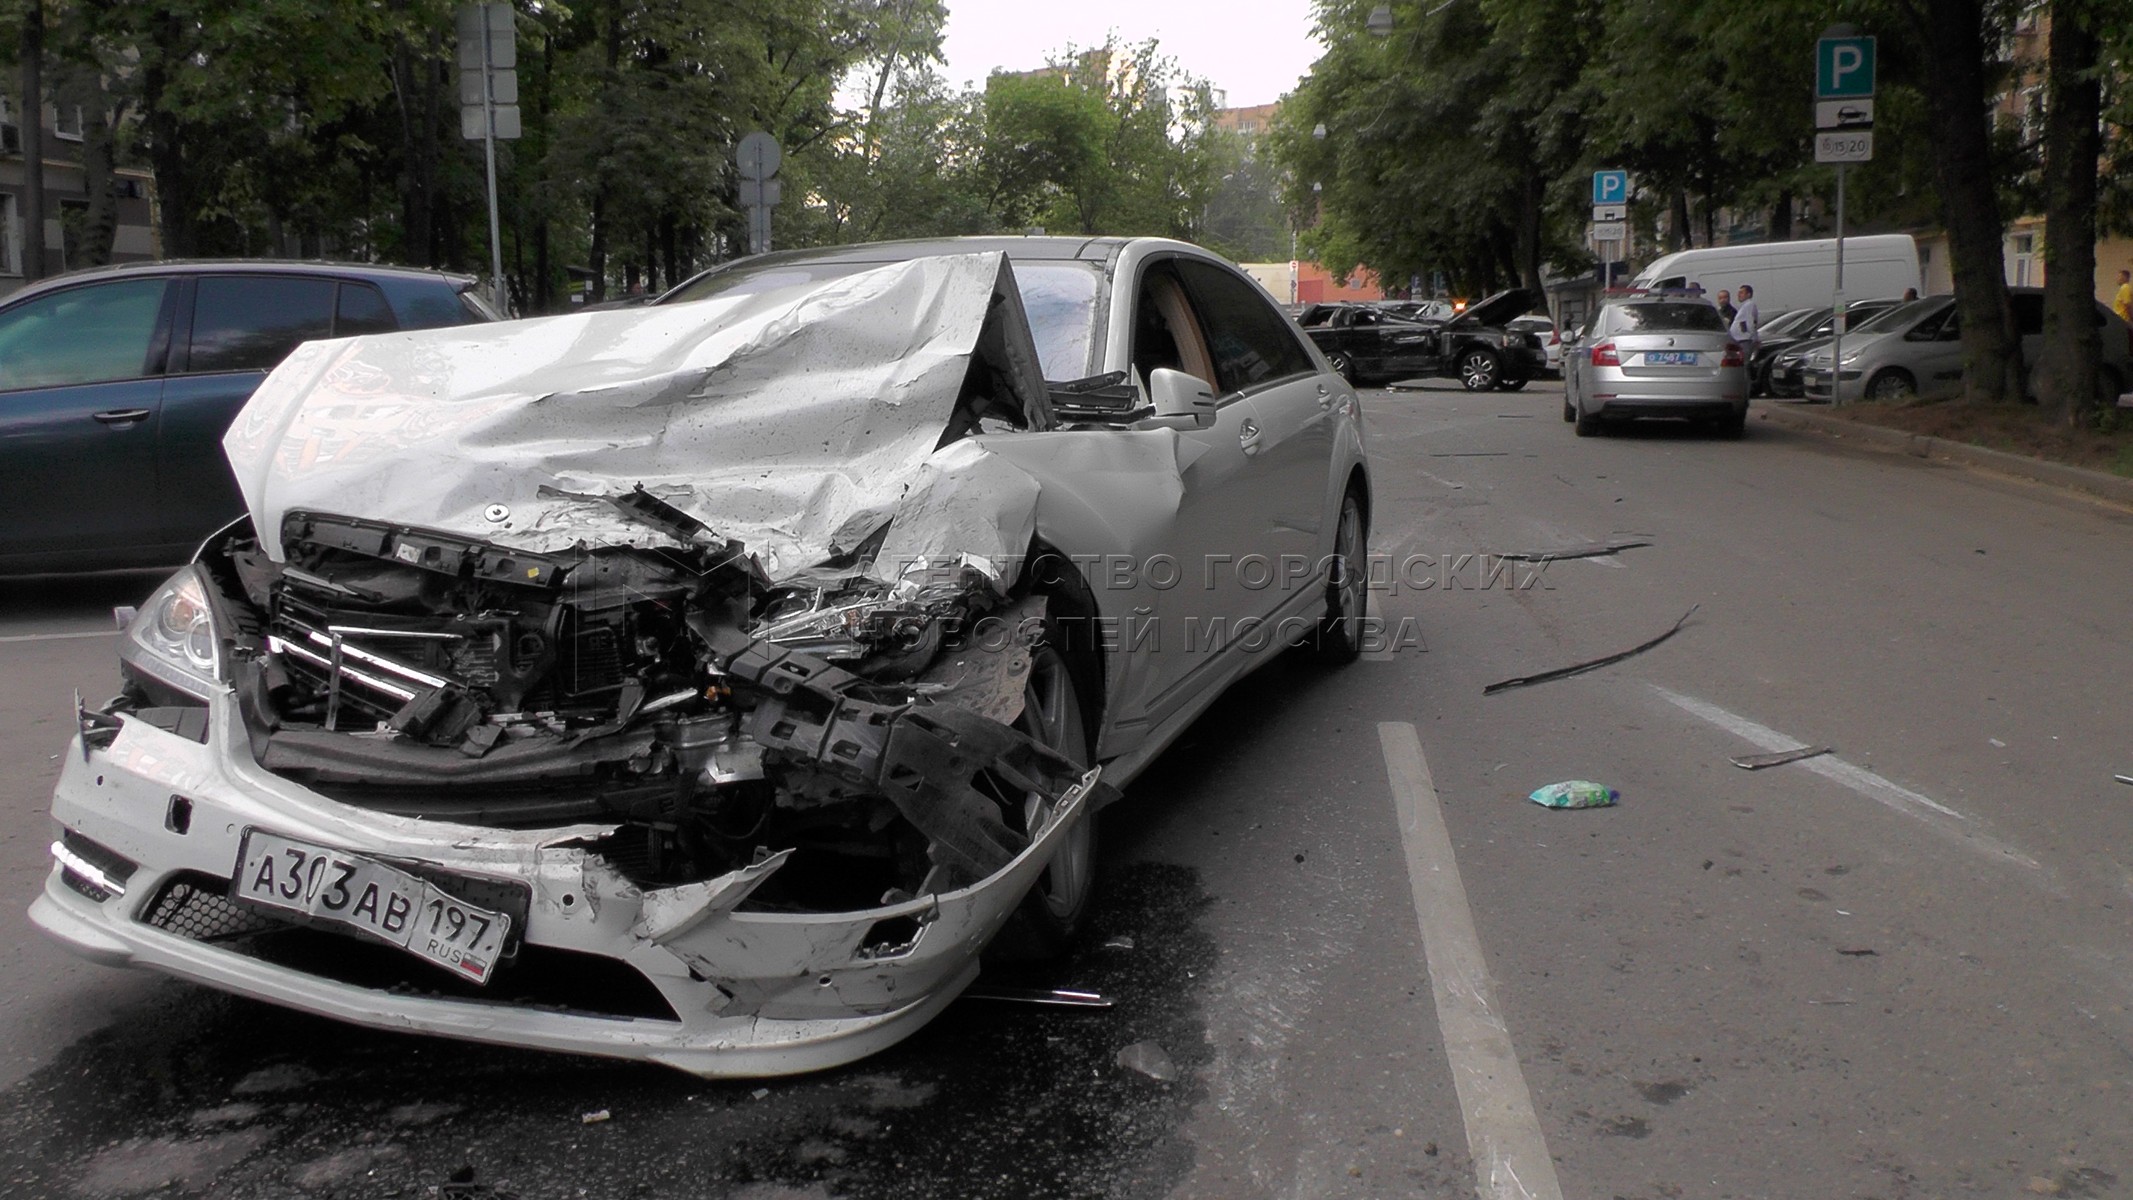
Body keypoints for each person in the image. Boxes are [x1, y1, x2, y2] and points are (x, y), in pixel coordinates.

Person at [1729, 283, 1761, 357]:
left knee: (1744, 359)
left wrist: (1752, 337)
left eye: (1741, 293)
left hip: (1744, 340)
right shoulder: (1745, 306)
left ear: (1748, 294)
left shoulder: (1749, 305)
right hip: (1740, 340)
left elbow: (1750, 322)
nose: (1738, 295)